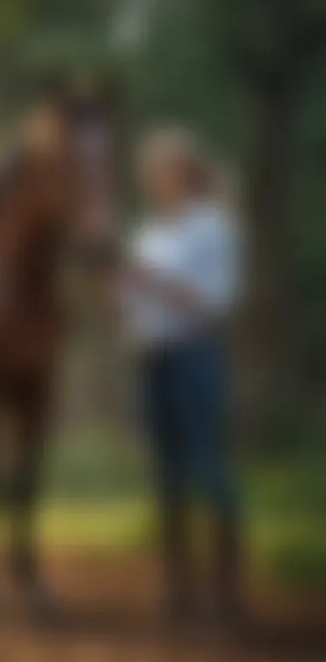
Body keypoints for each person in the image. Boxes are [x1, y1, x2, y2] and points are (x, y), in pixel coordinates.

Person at [122, 126, 243, 627]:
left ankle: (226, 595)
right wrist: (112, 282)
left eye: (166, 168)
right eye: (151, 171)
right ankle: (178, 591)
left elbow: (214, 304)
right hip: (152, 362)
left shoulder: (213, 227)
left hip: (195, 358)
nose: (157, 178)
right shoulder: (148, 233)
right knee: (166, 478)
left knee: (208, 471)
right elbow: (133, 309)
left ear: (187, 172)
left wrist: (146, 279)